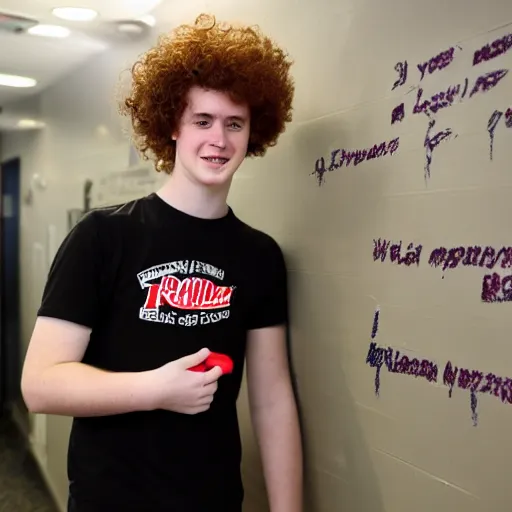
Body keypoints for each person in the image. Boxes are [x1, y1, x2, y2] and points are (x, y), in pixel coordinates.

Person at [20, 12, 303, 512]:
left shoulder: (259, 256)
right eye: (202, 120)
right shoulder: (103, 236)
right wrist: (157, 389)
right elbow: (40, 385)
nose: (219, 138)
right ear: (172, 124)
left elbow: (272, 400)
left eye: (234, 123)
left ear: (253, 133)